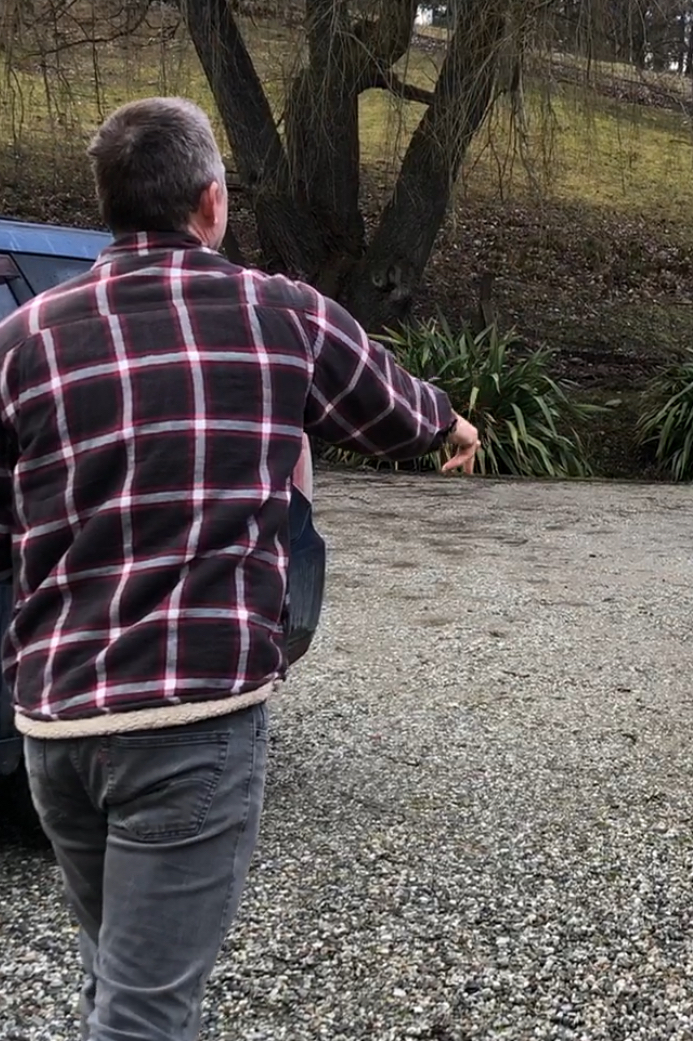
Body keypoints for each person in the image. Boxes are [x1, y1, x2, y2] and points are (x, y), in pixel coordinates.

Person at [0, 96, 480, 1040]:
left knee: (119, 975)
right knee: (145, 1009)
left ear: (110, 205)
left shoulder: (25, 342)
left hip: (53, 726)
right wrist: (451, 422)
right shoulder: (277, 314)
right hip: (189, 727)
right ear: (212, 202)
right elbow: (388, 402)